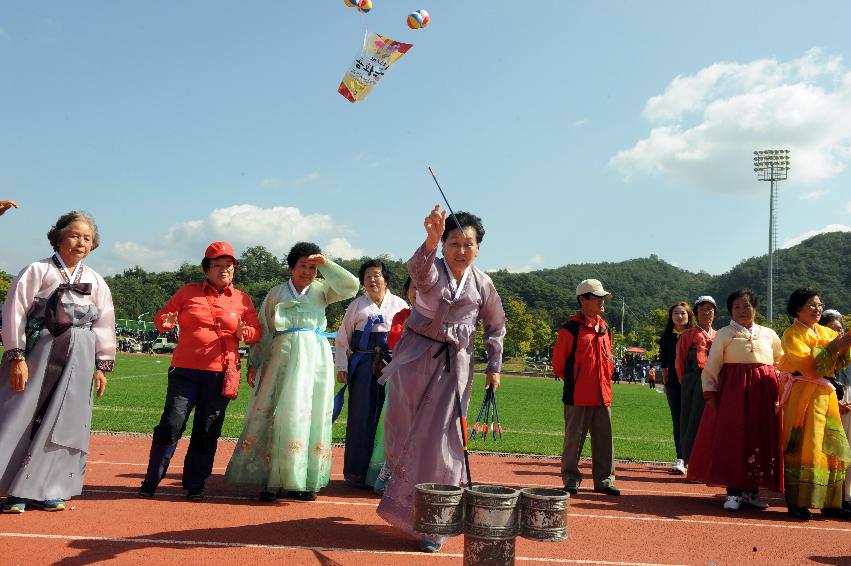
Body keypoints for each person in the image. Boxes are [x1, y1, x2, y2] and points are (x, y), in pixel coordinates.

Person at [377, 207, 505, 553]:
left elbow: (496, 326)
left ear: (478, 248)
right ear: (444, 245)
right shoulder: (432, 269)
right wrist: (430, 239)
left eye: (468, 243)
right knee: (403, 429)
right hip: (416, 359)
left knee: (445, 442)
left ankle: (436, 524)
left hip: (455, 368)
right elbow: (417, 275)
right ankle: (397, 484)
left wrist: (494, 366)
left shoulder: (483, 284)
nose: (460, 250)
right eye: (453, 242)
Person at [0, 211, 115, 514]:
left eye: (87, 238)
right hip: (39, 352)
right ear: (59, 236)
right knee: (23, 414)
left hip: (80, 358)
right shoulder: (36, 271)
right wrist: (16, 356)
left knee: (67, 423)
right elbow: (15, 313)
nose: (81, 243)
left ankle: (50, 487)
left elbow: (104, 324)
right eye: (75, 235)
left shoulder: (96, 281)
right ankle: (15, 489)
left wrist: (102, 366)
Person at [225, 242, 359, 501]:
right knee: (277, 412)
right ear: (291, 267)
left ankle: (301, 480)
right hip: (281, 357)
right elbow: (264, 328)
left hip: (313, 358)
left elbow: (351, 286)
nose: (307, 272)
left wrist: (327, 264)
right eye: (302, 266)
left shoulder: (322, 291)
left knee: (308, 413)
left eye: (312, 267)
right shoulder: (276, 293)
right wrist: (255, 361)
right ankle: (270, 480)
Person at [138, 242, 261, 501]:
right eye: (217, 265)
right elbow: (161, 320)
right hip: (184, 371)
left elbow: (255, 332)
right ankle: (152, 479)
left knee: (207, 429)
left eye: (228, 266)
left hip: (220, 373)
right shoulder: (187, 292)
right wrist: (166, 322)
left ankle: (195, 484)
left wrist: (244, 332)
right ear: (207, 269)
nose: (224, 270)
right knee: (171, 423)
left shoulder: (241, 299)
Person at [686, 289, 783, 511]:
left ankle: (751, 492)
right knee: (734, 438)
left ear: (755, 308)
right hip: (734, 394)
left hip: (764, 395)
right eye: (737, 307)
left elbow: (781, 362)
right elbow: (712, 365)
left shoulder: (769, 334)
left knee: (759, 438)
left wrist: (776, 382)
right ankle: (734, 492)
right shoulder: (725, 334)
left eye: (746, 306)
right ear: (731, 311)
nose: (742, 310)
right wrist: (710, 392)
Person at [779, 287, 851, 520]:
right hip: (803, 395)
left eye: (819, 304)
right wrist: (835, 348)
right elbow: (809, 366)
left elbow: (838, 364)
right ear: (798, 308)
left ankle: (831, 502)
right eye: (811, 304)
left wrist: (845, 347)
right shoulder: (792, 334)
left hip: (826, 396)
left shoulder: (826, 332)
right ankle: (799, 501)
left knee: (831, 447)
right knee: (806, 446)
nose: (817, 308)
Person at [334, 259, 407, 488]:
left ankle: (384, 473)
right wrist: (342, 366)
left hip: (391, 366)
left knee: (389, 418)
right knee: (359, 416)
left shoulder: (400, 305)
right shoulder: (356, 306)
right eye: (367, 277)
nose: (372, 280)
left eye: (377, 275)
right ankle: (356, 472)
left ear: (386, 279)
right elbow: (343, 338)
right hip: (363, 366)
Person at [552, 278, 619, 498]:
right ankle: (571, 480)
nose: (602, 302)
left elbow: (608, 359)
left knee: (605, 441)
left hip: (602, 394)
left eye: (603, 297)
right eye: (597, 297)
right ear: (583, 299)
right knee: (574, 441)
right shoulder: (570, 329)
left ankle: (604, 481)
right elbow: (558, 365)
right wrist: (578, 380)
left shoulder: (605, 328)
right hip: (577, 395)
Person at [370, 276, 417, 494]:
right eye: (413, 287)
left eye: (423, 288)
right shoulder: (403, 315)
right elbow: (394, 340)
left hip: (430, 381)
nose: (417, 292)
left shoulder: (439, 316)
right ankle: (390, 466)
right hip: (400, 377)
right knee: (395, 424)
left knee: (422, 428)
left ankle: (415, 476)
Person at [676, 295, 717, 469]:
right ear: (696, 312)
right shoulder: (688, 335)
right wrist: (686, 383)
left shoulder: (719, 335)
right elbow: (680, 361)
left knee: (712, 420)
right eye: (701, 309)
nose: (706, 312)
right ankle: (691, 461)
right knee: (692, 420)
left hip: (715, 382)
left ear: (714, 312)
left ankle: (711, 460)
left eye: (709, 309)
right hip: (693, 381)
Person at [819, 309, 851, 512]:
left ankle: (846, 496)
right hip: (828, 401)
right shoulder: (820, 350)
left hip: (848, 400)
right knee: (831, 452)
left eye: (839, 329)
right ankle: (829, 498)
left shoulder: (848, 351)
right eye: (831, 329)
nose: (836, 334)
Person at [658, 301, 694, 475]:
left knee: (694, 421)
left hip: (693, 384)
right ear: (671, 317)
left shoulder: (696, 335)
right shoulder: (666, 338)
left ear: (689, 316)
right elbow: (663, 364)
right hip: (673, 385)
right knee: (678, 420)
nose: (679, 316)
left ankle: (694, 458)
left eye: (683, 313)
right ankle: (681, 457)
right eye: (676, 313)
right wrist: (665, 383)